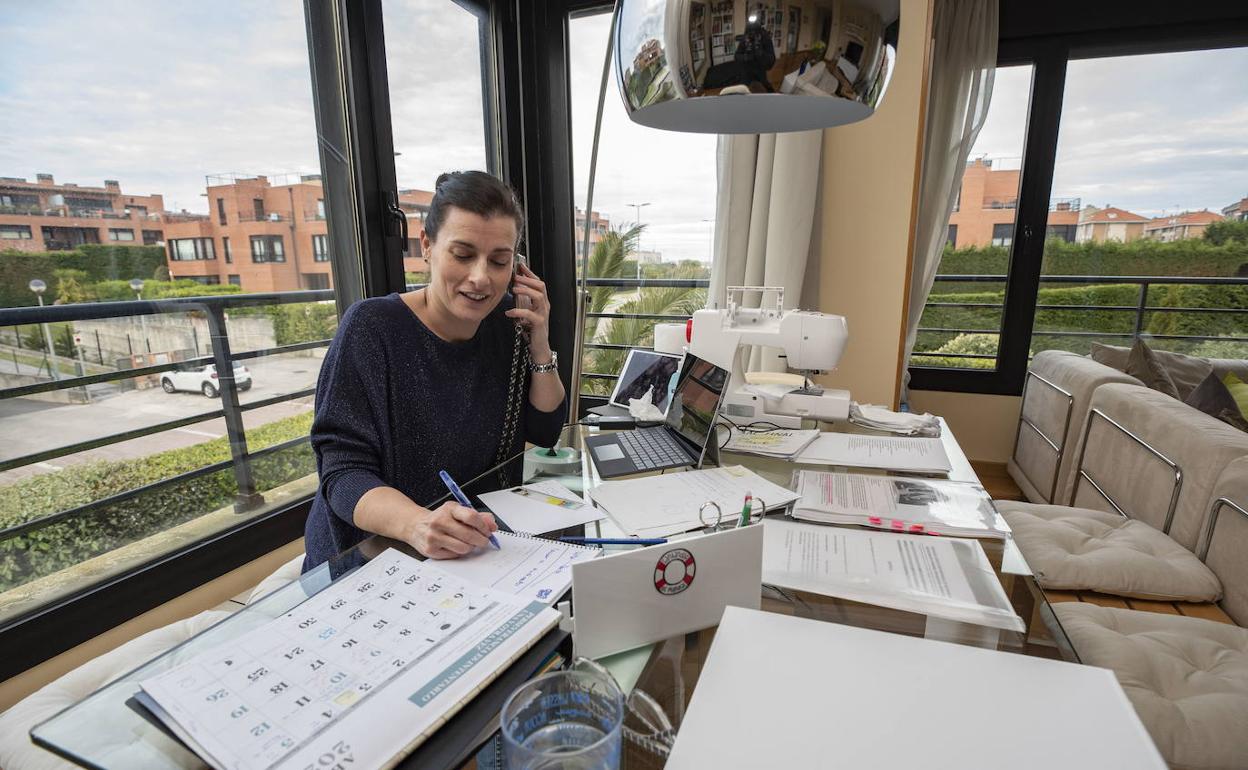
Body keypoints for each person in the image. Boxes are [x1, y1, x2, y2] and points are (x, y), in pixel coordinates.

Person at [302, 171, 567, 571]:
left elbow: (545, 431)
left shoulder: (509, 325)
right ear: (426, 246)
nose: (481, 278)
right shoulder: (372, 328)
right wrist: (418, 524)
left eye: (499, 260)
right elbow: (342, 474)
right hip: (373, 556)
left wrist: (540, 340)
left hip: (474, 547)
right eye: (462, 255)